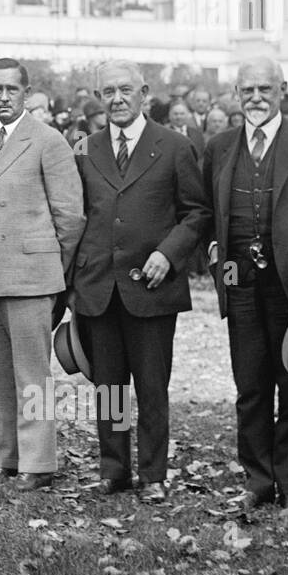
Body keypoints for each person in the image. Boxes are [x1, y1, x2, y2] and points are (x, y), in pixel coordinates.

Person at [202, 57, 288, 517]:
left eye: (265, 89)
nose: (256, 98)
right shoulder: (220, 146)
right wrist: (217, 267)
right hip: (241, 285)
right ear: (236, 94)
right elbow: (209, 217)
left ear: (282, 89)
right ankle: (259, 482)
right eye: (248, 90)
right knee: (251, 387)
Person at [73, 62, 208, 501]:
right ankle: (114, 471)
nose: (116, 99)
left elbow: (196, 213)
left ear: (144, 93)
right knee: (108, 387)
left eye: (125, 90)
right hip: (100, 288)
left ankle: (153, 475)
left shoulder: (173, 146)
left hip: (151, 289)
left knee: (152, 388)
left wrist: (167, 255)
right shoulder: (86, 149)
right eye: (108, 91)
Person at [0, 57, 84, 490]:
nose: (3, 97)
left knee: (32, 374)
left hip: (32, 275)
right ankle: (9, 455)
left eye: (11, 90)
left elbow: (71, 217)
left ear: (25, 92)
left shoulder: (48, 140)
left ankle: (37, 464)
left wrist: (53, 270)